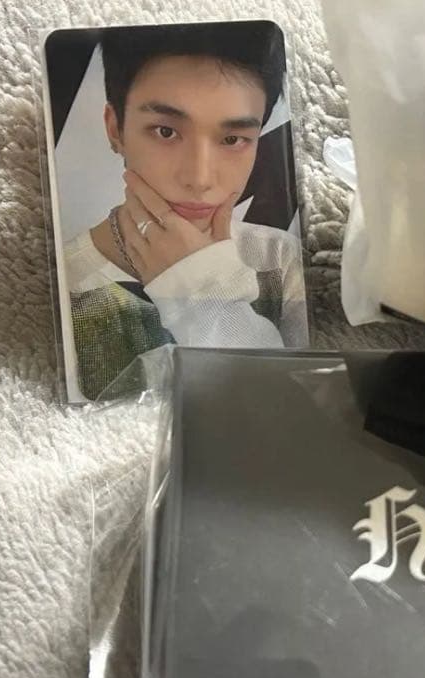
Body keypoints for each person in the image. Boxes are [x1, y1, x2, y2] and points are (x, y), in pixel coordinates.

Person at [61, 22, 307, 400]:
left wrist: (202, 294)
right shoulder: (66, 282)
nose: (199, 178)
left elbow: (292, 405)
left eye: (233, 139)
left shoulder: (279, 260)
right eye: (165, 132)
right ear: (115, 129)